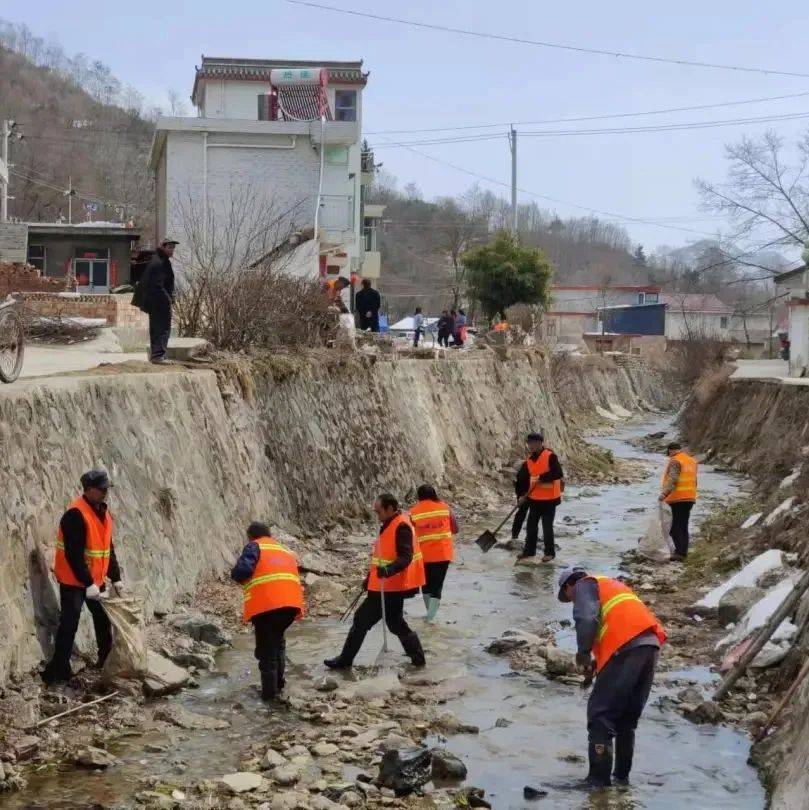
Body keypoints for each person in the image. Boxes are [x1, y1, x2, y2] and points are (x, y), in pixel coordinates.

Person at [557, 566, 666, 787]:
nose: (571, 601)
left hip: (625, 646)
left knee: (600, 717)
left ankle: (597, 783)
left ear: (569, 585)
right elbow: (613, 625)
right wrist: (596, 664)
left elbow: (587, 619)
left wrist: (583, 653)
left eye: (567, 597)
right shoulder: (610, 585)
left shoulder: (584, 585)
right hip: (648, 645)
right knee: (626, 719)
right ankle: (621, 779)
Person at [324, 494, 426, 668]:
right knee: (395, 623)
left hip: (389, 586)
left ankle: (345, 660)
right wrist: (369, 578)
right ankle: (418, 658)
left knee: (361, 620)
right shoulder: (391, 523)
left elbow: (405, 557)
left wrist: (388, 570)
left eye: (378, 511)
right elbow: (382, 557)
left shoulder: (401, 526)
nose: (376, 515)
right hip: (385, 585)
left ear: (390, 508)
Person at [43, 470, 123, 685]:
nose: (106, 493)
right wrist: (88, 583)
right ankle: (58, 670)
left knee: (102, 618)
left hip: (94, 581)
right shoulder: (75, 515)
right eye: (102, 489)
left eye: (107, 489)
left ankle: (105, 660)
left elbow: (108, 549)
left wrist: (116, 578)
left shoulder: (103, 513)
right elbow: (73, 554)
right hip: (73, 581)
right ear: (89, 490)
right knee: (69, 623)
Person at [231, 522, 304, 701]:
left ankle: (269, 698)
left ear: (251, 536)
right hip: (291, 605)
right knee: (278, 643)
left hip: (267, 606)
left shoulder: (255, 546)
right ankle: (279, 685)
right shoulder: (283, 550)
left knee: (267, 653)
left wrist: (234, 574)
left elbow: (243, 570)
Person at [409, 485, 458, 621]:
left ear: (419, 497)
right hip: (443, 553)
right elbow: (455, 529)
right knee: (437, 585)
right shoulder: (445, 508)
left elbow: (409, 534)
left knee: (425, 584)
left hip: (423, 555)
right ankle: (431, 617)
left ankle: (430, 616)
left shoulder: (413, 512)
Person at [515, 432, 563, 562]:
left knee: (547, 527)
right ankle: (529, 551)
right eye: (529, 443)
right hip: (534, 499)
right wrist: (521, 496)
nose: (530, 446)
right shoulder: (529, 461)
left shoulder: (550, 456)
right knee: (531, 526)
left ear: (540, 443)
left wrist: (543, 477)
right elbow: (524, 480)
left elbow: (558, 473)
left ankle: (550, 553)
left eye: (533, 443)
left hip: (549, 500)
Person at [135, 238, 178, 364]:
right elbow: (157, 285)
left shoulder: (162, 260)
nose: (172, 250)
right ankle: (158, 356)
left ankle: (157, 355)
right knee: (162, 328)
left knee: (159, 328)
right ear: (163, 247)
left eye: (173, 248)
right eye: (169, 247)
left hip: (158, 301)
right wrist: (168, 300)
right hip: (159, 302)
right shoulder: (159, 262)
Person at [659, 441, 698, 561]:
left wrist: (664, 494)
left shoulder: (675, 461)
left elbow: (673, 479)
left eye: (669, 453)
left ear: (670, 451)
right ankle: (682, 551)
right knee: (683, 525)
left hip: (678, 498)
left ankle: (680, 553)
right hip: (690, 497)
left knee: (675, 527)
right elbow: (695, 480)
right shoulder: (691, 460)